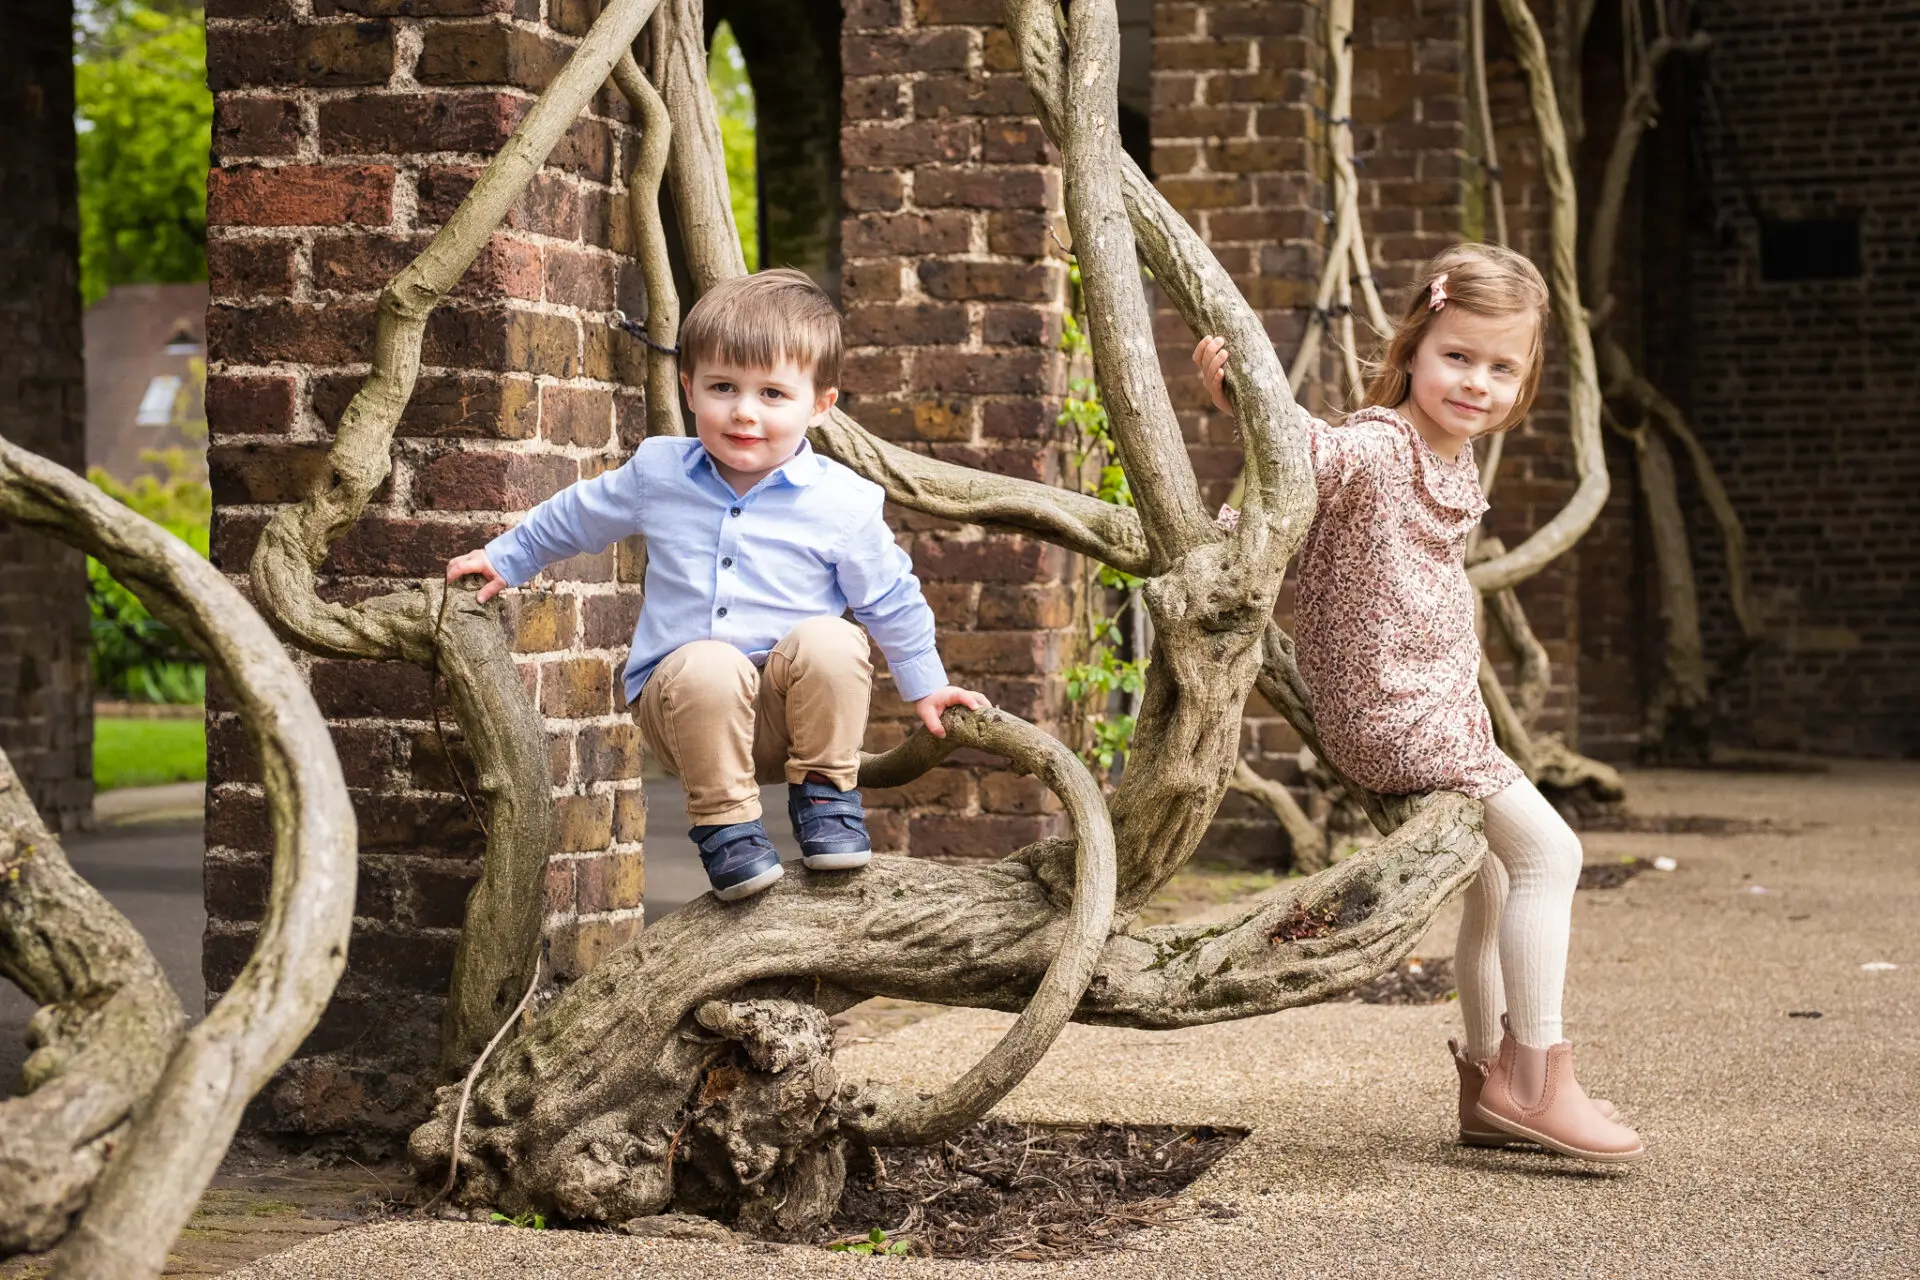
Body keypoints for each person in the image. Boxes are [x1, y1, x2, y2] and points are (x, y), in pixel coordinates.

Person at [1192, 242, 1643, 1163]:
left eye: (1501, 367)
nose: (1476, 382)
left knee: (1488, 883)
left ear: (1524, 385)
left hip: (1430, 705)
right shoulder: (1379, 446)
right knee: (1554, 852)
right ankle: (1537, 1077)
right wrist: (1241, 394)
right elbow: (1305, 453)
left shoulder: (1450, 458)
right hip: (1400, 714)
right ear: (1412, 350)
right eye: (1457, 356)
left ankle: (1484, 1086)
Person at [448, 268, 987, 902]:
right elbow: (580, 515)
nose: (744, 413)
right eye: (723, 387)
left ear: (821, 405)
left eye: (773, 395)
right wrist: (506, 558)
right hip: (686, 710)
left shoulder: (844, 504)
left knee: (833, 641)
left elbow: (891, 599)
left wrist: (926, 685)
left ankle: (826, 797)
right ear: (690, 388)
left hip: (793, 718)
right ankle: (728, 830)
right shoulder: (660, 472)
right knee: (708, 663)